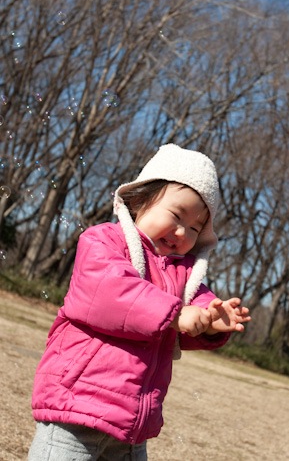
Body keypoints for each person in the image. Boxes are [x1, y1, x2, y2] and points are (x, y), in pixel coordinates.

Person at [28, 143, 251, 461]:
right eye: (176, 215)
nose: (181, 231)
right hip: (75, 411)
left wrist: (212, 321)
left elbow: (198, 304)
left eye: (195, 228)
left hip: (132, 426)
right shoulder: (104, 241)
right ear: (139, 201)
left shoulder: (183, 274)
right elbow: (111, 291)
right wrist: (176, 315)